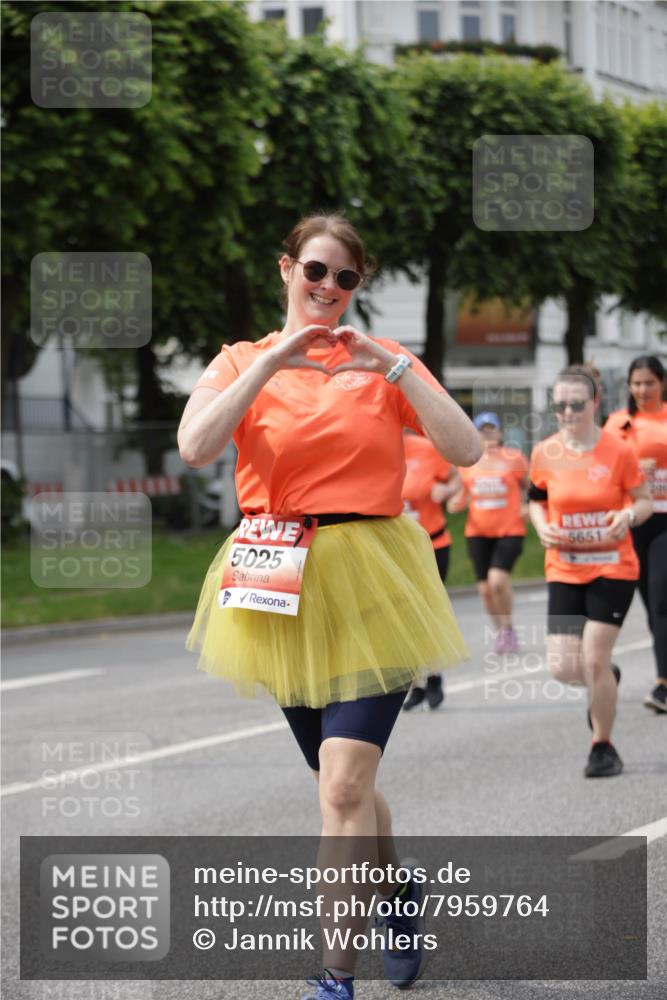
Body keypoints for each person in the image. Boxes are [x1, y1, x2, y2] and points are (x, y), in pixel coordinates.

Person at [178, 213, 480, 999]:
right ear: (287, 269)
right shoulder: (240, 359)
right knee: (334, 774)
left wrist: (396, 367)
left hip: (372, 574)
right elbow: (197, 445)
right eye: (316, 271)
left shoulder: (381, 365)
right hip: (273, 577)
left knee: (343, 786)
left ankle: (331, 977)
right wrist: (273, 358)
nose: (328, 289)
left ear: (358, 288)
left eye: (345, 279)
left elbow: (465, 449)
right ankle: (397, 895)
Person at [528, 366, 652, 778]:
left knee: (594, 659)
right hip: (564, 567)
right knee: (563, 667)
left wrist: (628, 516)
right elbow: (536, 499)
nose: (567, 413)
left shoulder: (618, 450)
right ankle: (607, 683)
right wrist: (541, 524)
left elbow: (645, 501)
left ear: (595, 403)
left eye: (576, 405)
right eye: (559, 405)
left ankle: (603, 746)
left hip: (613, 567)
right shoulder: (545, 451)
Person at [605, 356, 667, 713]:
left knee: (661, 598)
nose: (642, 390)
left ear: (662, 384)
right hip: (629, 522)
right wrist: (629, 468)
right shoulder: (618, 423)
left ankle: (663, 684)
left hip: (664, 521)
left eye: (649, 383)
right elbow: (598, 463)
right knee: (649, 602)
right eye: (637, 383)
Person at [448, 412, 529, 654]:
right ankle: (503, 631)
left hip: (510, 528)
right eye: (483, 430)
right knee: (484, 589)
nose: (488, 434)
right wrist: (454, 502)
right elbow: (460, 496)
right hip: (478, 532)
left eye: (492, 429)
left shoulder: (514, 458)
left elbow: (532, 488)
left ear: (500, 432)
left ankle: (508, 625)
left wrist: (528, 505)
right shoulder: (469, 462)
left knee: (498, 580)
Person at [400, 431, 462, 711]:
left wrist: (447, 491)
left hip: (432, 543)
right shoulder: (366, 445)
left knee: (425, 612)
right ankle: (415, 683)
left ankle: (434, 674)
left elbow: (456, 477)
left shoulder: (426, 448)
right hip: (393, 548)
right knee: (403, 617)